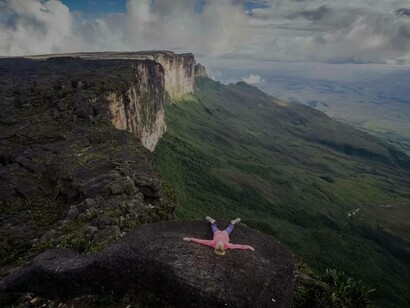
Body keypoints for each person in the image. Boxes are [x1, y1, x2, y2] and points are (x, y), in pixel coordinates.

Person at [183, 216, 255, 256]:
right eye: (220, 244)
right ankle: (234, 222)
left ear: (215, 246)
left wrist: (190, 239)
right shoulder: (227, 245)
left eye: (218, 244)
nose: (219, 242)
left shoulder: (213, 243)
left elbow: (202, 241)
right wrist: (248, 247)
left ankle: (212, 221)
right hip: (225, 233)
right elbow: (239, 246)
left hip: (217, 232)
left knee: (213, 225)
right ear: (223, 247)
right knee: (230, 227)